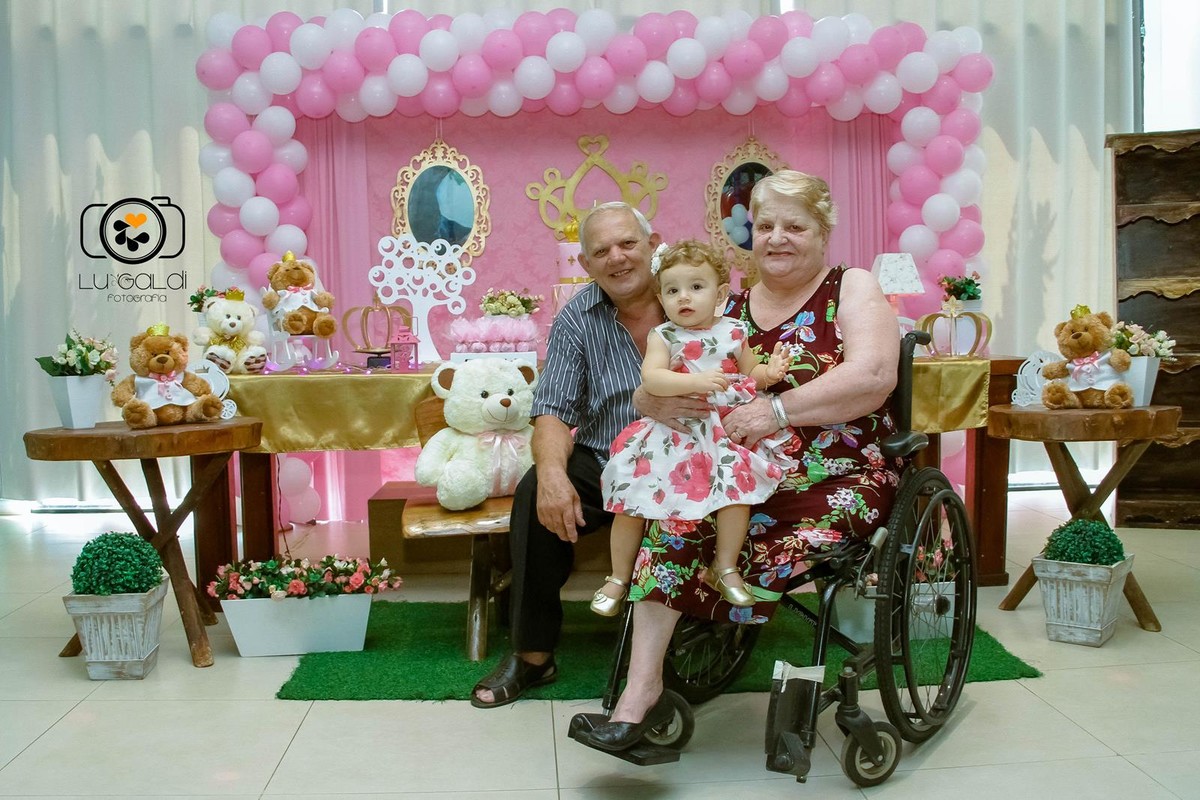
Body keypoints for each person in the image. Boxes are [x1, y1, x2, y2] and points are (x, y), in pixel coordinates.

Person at [579, 170, 903, 752]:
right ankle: (639, 696)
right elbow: (662, 374)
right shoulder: (717, 302)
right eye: (765, 225)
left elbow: (874, 377)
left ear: (823, 230)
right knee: (673, 525)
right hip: (731, 470)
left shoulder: (850, 287)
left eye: (795, 226)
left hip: (838, 466)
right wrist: (649, 398)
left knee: (755, 534)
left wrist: (775, 414)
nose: (777, 237)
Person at [470, 201, 709, 708]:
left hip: (690, 460)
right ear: (585, 264)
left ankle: (676, 645)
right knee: (537, 489)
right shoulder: (578, 316)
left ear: (653, 243)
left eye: (628, 244)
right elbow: (553, 409)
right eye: (601, 251)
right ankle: (534, 654)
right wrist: (553, 472)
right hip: (609, 460)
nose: (617, 258)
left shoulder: (695, 295)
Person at [591, 240, 797, 616]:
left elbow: (751, 371)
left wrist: (771, 372)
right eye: (672, 290)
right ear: (661, 297)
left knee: (736, 491)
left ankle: (726, 566)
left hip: (722, 432)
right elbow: (652, 379)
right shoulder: (664, 336)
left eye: (695, 288)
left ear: (719, 294)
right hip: (675, 432)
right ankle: (618, 576)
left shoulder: (734, 331)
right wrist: (694, 383)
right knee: (631, 498)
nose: (683, 298)